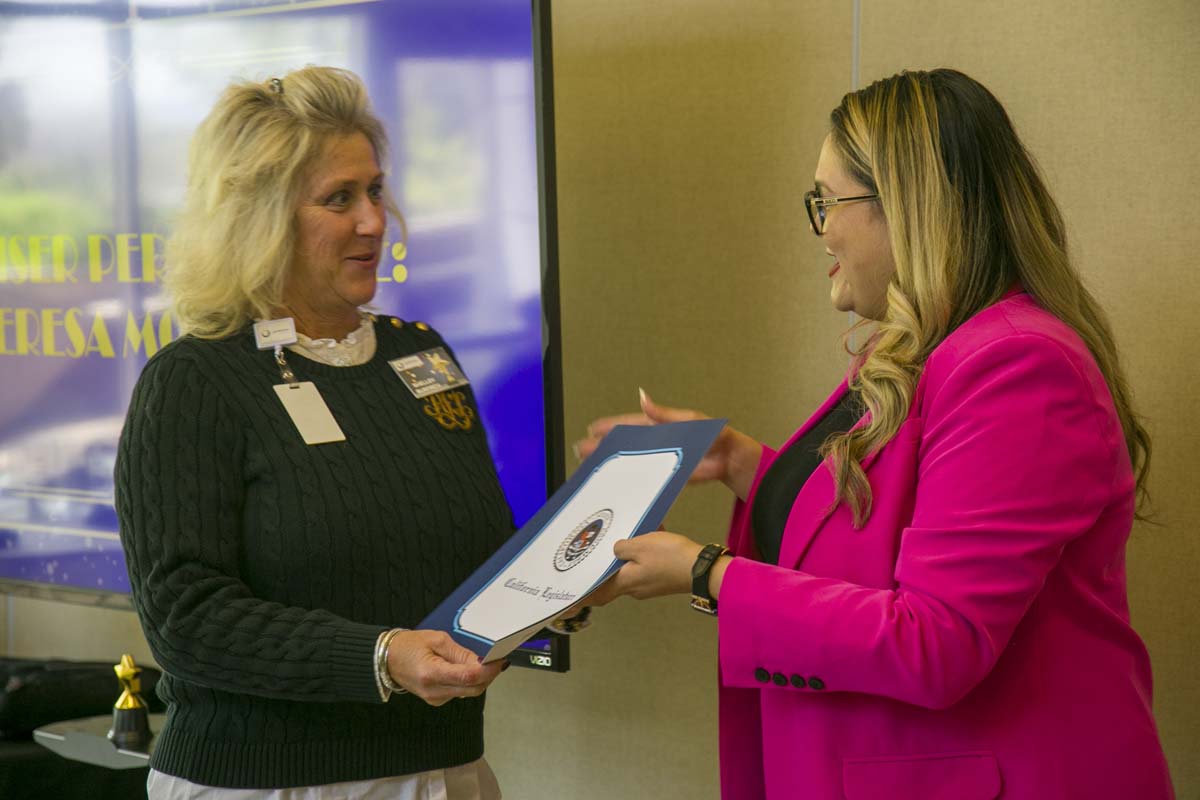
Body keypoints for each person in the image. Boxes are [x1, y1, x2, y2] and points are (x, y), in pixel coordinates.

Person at [577, 69, 1174, 799]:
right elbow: (886, 525)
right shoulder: (927, 350)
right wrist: (743, 464)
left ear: (911, 205)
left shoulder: (1019, 364)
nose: (819, 228)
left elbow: (936, 640)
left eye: (828, 201)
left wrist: (707, 573)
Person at [115, 66, 513, 798]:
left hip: (447, 768)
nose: (373, 220)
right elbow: (186, 618)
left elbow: (475, 549)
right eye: (339, 199)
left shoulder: (419, 353)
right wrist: (381, 656)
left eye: (374, 189)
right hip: (266, 783)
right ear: (259, 218)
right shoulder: (195, 380)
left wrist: (572, 568)